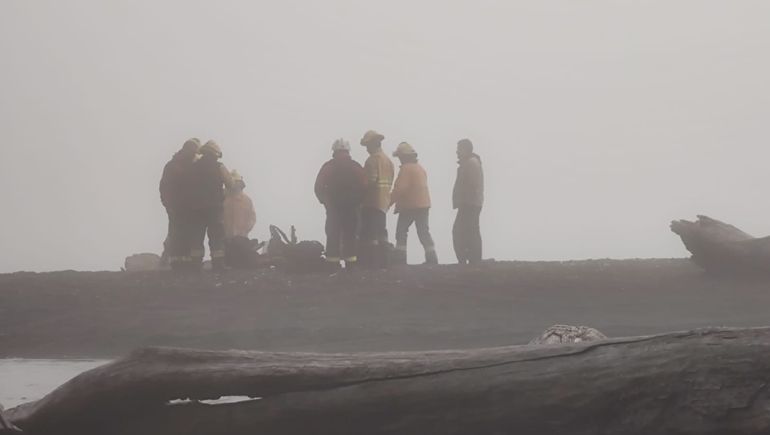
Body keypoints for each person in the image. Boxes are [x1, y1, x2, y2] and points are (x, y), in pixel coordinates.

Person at [314, 138, 367, 270]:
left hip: (333, 209)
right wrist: (358, 202)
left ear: (334, 151)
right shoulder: (355, 166)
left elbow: (318, 187)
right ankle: (351, 264)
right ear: (348, 151)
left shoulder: (328, 167)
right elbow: (365, 186)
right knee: (350, 235)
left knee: (333, 235)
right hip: (352, 208)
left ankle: (332, 264)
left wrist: (326, 202)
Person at [189, 140, 233, 272]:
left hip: (197, 207)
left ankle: (196, 265)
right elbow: (230, 184)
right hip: (214, 207)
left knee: (197, 235)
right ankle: (218, 264)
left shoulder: (194, 166)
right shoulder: (219, 166)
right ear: (215, 154)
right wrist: (222, 195)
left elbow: (188, 186)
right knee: (216, 236)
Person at [390, 142, 437, 265]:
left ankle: (400, 259)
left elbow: (400, 188)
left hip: (409, 205)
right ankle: (432, 258)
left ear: (404, 156)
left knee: (401, 231)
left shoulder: (406, 169)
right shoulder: (420, 168)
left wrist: (388, 202)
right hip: (424, 204)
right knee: (423, 231)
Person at [159, 138, 200, 270]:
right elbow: (165, 187)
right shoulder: (190, 167)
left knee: (177, 233)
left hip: (177, 207)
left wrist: (168, 205)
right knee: (185, 234)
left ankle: (177, 262)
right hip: (184, 207)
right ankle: (184, 262)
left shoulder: (172, 165)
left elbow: (163, 187)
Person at [359, 130, 395, 268]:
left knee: (370, 233)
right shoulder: (388, 161)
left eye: (367, 145)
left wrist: (360, 194)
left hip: (371, 201)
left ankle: (371, 262)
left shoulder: (372, 160)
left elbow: (370, 181)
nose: (367, 149)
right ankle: (384, 261)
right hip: (384, 202)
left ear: (373, 144)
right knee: (381, 232)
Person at [452, 138, 484, 265]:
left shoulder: (471, 163)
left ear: (465, 149)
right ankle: (472, 259)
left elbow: (472, 184)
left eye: (459, 149)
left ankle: (468, 259)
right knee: (470, 230)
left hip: (469, 203)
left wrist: (463, 200)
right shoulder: (470, 162)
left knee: (461, 231)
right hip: (471, 203)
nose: (457, 152)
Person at [223, 170, 256, 239]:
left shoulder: (247, 200)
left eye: (236, 182)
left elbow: (252, 218)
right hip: (224, 238)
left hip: (241, 238)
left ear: (240, 184)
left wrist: (244, 230)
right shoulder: (223, 197)